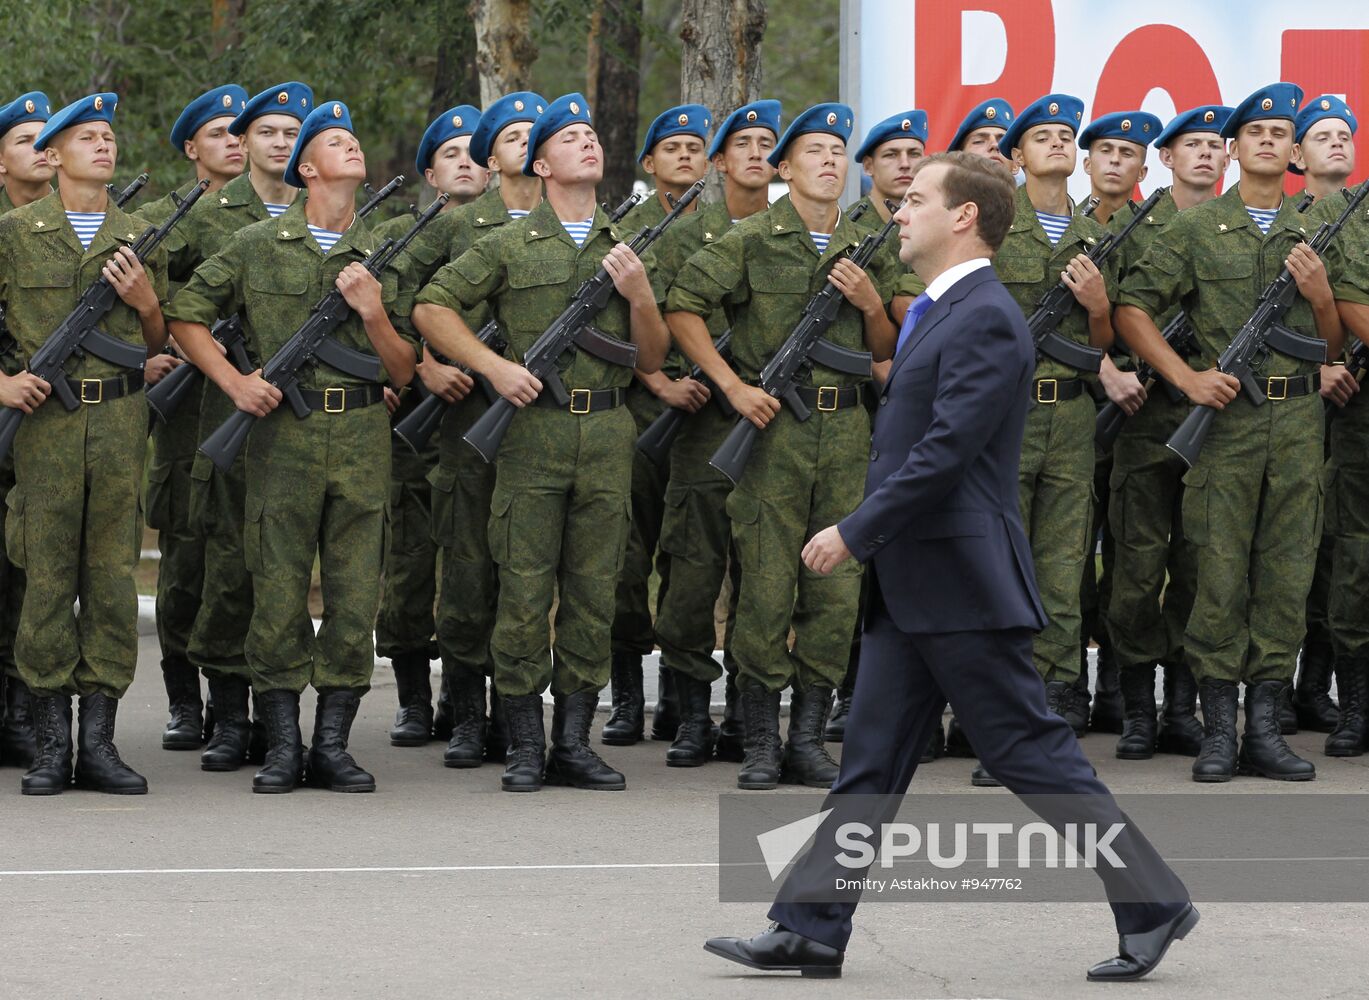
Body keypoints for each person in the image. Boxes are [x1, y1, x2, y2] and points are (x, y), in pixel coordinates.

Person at [704, 151, 1197, 983]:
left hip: (960, 581)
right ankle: (810, 927)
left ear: (964, 216)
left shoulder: (987, 317)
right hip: (916, 582)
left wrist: (855, 530)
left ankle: (1152, 902)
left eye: (916, 198)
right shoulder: (942, 310)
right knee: (870, 761)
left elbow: (943, 455)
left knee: (1028, 754)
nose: (898, 210)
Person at [412, 93, 670, 793]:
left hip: (609, 430)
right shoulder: (506, 242)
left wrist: (641, 295)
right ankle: (524, 743)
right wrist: (493, 367)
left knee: (592, 591)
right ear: (542, 162)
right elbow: (430, 307)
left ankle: (574, 745)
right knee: (524, 590)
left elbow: (651, 359)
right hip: (533, 434)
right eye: (570, 138)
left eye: (592, 134)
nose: (587, 144)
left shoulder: (628, 245)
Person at [167, 99, 416, 794]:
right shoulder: (256, 245)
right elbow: (186, 314)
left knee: (350, 592)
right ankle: (280, 744)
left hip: (364, 436)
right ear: (307, 167)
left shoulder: (382, 253)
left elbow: (403, 369)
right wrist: (234, 380)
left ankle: (331, 745)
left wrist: (371, 310)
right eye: (336, 141)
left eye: (356, 136)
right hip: (282, 440)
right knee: (275, 590)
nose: (354, 147)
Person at [666, 103, 897, 790]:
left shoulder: (873, 243)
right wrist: (731, 386)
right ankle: (760, 739)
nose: (827, 160)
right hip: (775, 437)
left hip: (849, 434)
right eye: (812, 150)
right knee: (765, 587)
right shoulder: (753, 239)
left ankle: (806, 739)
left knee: (833, 593)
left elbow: (888, 346)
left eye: (836, 150)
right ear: (784, 167)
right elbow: (682, 306)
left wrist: (867, 305)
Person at [1114, 82, 1339, 783]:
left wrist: (1320, 296)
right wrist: (1184, 380)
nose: (1268, 140)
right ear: (1235, 149)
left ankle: (1265, 728)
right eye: (1256, 132)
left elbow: (1329, 344)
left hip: (1299, 423)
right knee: (1215, 570)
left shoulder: (1318, 228)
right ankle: (1217, 731)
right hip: (1228, 426)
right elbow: (1130, 310)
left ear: (1296, 151)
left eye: (1281, 132)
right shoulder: (1193, 228)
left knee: (1284, 574)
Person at [0, 92, 169, 795]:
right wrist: (3, 387)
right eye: (87, 137)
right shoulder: (13, 232)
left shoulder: (139, 233)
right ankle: (49, 745)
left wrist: (145, 304)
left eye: (108, 136)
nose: (104, 146)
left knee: (108, 581)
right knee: (46, 579)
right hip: (47, 428)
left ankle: (98, 743)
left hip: (120, 424)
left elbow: (160, 345)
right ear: (53, 155)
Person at [177, 81, 313, 773]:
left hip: (307, 423)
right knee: (230, 569)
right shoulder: (204, 216)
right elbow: (165, 309)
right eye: (266, 133)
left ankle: (277, 717)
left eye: (293, 133)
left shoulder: (324, 217)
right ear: (245, 143)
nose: (280, 143)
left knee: (282, 574)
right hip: (230, 408)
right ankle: (228, 717)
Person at [648, 98, 781, 766]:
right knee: (693, 574)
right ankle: (693, 712)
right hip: (704, 426)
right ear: (719, 161)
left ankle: (749, 719)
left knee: (764, 576)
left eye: (767, 143)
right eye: (743, 144)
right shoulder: (679, 237)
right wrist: (667, 380)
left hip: (778, 427)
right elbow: (651, 324)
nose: (756, 153)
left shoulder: (798, 234)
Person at [414, 91, 545, 767]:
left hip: (546, 430)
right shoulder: (459, 226)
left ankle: (516, 719)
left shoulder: (571, 228)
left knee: (526, 574)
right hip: (471, 425)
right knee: (468, 566)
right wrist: (425, 365)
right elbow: (398, 296)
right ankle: (465, 712)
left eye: (535, 131)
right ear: (490, 158)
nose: (526, 141)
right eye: (512, 134)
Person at [994, 94, 1122, 747]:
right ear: (1016, 155)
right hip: (1004, 419)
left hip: (1070, 417)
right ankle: (1003, 704)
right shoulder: (990, 229)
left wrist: (1097, 303)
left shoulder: (1098, 236)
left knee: (1064, 562)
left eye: (1065, 135)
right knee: (1000, 562)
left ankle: (1056, 696)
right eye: (1042, 136)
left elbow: (1102, 343)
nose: (1057, 144)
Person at [1105, 106, 1233, 761]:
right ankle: (1134, 710)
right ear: (1166, 158)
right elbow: (1107, 318)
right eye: (1193, 146)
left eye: (1215, 145)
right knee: (1135, 570)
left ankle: (1180, 709)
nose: (1205, 155)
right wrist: (1129, 371)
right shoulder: (1132, 228)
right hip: (1146, 421)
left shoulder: (1235, 230)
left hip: (1213, 428)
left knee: (1196, 569)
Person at [138, 84, 248, 752]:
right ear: (191, 149)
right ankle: (185, 700)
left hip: (249, 404)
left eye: (243, 131)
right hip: (187, 411)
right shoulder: (163, 218)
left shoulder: (278, 215)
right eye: (218, 133)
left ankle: (242, 708)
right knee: (183, 564)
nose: (233, 141)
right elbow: (131, 297)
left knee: (245, 562)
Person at [375, 103, 487, 748]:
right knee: (412, 558)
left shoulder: (510, 233)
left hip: (483, 417)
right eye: (451, 153)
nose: (465, 160)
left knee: (478, 560)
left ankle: (467, 699)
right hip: (419, 418)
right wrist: (420, 368)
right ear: (429, 172)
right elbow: (382, 313)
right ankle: (415, 699)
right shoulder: (404, 235)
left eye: (476, 150)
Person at [605, 103, 711, 749]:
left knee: (691, 560)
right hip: (641, 410)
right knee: (624, 559)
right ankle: (625, 697)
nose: (683, 155)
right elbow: (604, 326)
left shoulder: (731, 230)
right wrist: (656, 380)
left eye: (694, 146)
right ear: (649, 163)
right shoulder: (621, 234)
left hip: (706, 414)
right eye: (670, 147)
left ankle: (678, 695)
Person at [1073, 110, 1162, 738]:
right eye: (1105, 151)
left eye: (1128, 153)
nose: (1115, 161)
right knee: (1070, 558)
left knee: (1134, 559)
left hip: (1146, 412)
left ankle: (1125, 697)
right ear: (1086, 163)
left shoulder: (1162, 234)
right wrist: (1105, 370)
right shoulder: (1062, 229)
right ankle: (1069, 687)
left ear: (1143, 168)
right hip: (1078, 409)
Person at [1293, 94, 1360, 735]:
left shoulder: (1360, 220)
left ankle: (1318, 686)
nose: (1337, 144)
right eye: (1322, 135)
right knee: (1303, 547)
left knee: (1340, 548)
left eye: (1345, 134)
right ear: (1296, 154)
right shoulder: (1286, 221)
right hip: (1294, 403)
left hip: (1352, 400)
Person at [0, 90, 54, 770]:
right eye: (24, 140)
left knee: (31, 573)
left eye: (50, 137)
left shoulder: (73, 236)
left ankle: (19, 712)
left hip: (47, 434)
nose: (42, 148)